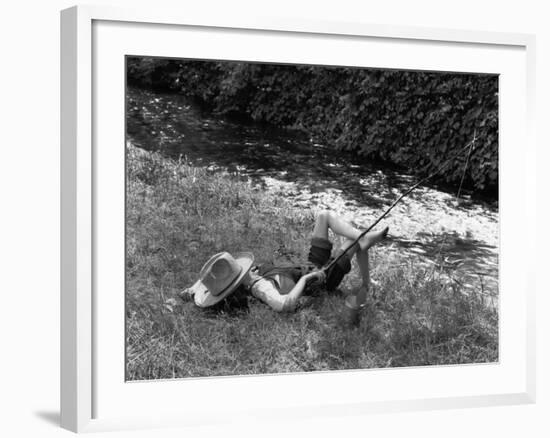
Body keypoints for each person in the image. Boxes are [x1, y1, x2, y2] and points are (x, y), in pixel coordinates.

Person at [179, 211, 388, 312]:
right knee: (352, 241)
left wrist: (190, 291)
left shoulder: (248, 275)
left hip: (309, 264)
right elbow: (284, 305)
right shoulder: (259, 286)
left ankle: (364, 239)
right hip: (322, 277)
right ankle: (364, 247)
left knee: (324, 217)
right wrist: (307, 280)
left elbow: (208, 280)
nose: (244, 267)